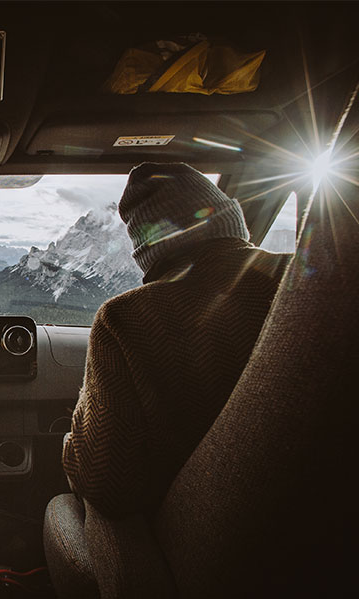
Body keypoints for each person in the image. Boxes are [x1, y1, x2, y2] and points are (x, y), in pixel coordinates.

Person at [63, 162, 290, 519]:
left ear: (146, 249)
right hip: (327, 517)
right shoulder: (306, 285)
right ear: (232, 218)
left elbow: (103, 483)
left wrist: (73, 439)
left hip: (200, 536)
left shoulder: (125, 318)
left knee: (63, 510)